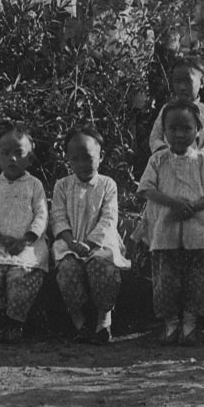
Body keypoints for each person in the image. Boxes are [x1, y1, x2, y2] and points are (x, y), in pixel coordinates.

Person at [136, 99, 204, 347]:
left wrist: (193, 207)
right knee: (166, 280)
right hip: (165, 232)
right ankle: (171, 324)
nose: (179, 134)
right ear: (164, 130)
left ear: (198, 130)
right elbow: (146, 189)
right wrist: (173, 204)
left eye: (186, 128)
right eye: (173, 128)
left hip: (196, 233)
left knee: (196, 281)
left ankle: (189, 325)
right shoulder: (158, 160)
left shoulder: (202, 161)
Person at [50, 128, 129, 345]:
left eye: (87, 157)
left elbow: (109, 218)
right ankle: (79, 322)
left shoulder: (107, 184)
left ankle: (104, 320)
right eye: (75, 159)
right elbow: (58, 216)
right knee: (67, 270)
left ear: (101, 156)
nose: (82, 164)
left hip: (100, 243)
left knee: (103, 268)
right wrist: (71, 241)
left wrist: (90, 243)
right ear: (68, 160)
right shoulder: (62, 185)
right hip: (70, 243)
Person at [0, 126, 49, 344]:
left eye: (19, 153)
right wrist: (0, 238)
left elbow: (41, 215)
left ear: (30, 158)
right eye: (6, 153)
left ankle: (15, 322)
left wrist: (25, 240)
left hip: (27, 246)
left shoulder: (34, 185)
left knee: (20, 276)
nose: (12, 158)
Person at [147, 58, 204, 162]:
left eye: (188, 81)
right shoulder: (167, 109)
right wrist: (165, 152)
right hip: (169, 163)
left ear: (202, 82)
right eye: (177, 82)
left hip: (196, 166)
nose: (182, 87)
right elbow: (155, 137)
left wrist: (200, 157)